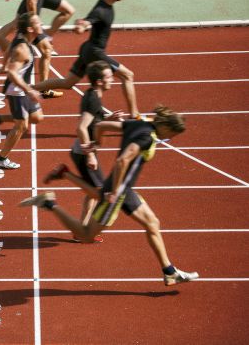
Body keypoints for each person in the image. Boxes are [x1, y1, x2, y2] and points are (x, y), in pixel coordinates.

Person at [20, 106, 199, 286]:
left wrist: (96, 144)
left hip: (125, 190)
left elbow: (102, 125)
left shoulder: (139, 124)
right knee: (85, 236)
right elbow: (123, 161)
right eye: (173, 135)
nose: (170, 138)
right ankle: (50, 203)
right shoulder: (146, 138)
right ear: (167, 128)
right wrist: (114, 191)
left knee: (152, 223)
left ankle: (170, 272)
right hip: (118, 191)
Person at [44, 60, 123, 242]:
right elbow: (81, 127)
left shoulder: (92, 95)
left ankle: (82, 228)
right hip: (83, 152)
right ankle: (65, 174)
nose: (113, 79)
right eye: (109, 77)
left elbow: (93, 118)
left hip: (82, 150)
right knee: (100, 194)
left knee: (93, 192)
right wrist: (90, 155)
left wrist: (108, 117)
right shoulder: (93, 98)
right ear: (99, 81)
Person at [33, 0, 140, 119]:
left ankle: (30, 88)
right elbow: (88, 21)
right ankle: (134, 115)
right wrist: (81, 26)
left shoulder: (104, 2)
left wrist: (82, 24)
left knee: (67, 83)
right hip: (94, 52)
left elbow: (89, 20)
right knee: (127, 75)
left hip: (87, 49)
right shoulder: (100, 10)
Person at [0, 12, 44, 170]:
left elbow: (8, 47)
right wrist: (29, 90)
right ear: (31, 29)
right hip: (17, 91)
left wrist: (5, 63)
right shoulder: (22, 49)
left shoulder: (22, 39)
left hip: (23, 88)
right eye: (39, 23)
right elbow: (12, 73)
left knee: (37, 117)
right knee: (22, 126)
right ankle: (1, 158)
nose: (42, 25)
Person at [0, 0, 75, 99]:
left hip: (40, 0)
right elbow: (31, 2)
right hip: (31, 12)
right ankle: (42, 88)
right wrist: (35, 23)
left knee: (16, 29)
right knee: (39, 49)